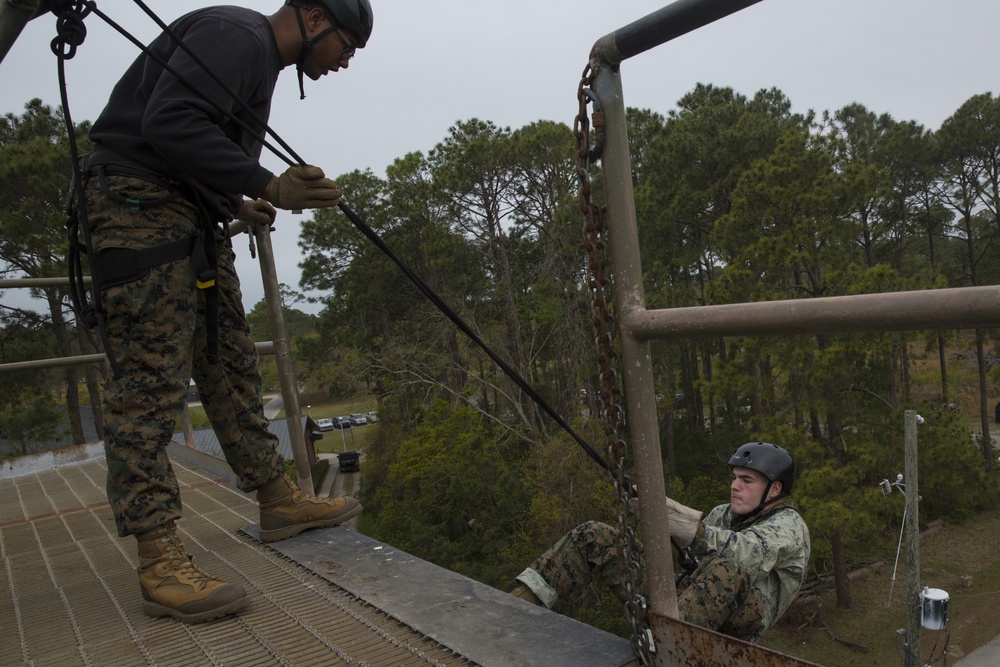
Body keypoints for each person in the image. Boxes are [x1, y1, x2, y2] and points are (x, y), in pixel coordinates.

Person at [79, 0, 374, 624]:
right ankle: (159, 560)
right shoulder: (236, 36)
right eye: (348, 46)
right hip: (138, 211)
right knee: (150, 387)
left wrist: (233, 202)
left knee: (230, 363)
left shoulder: (255, 57)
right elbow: (168, 121)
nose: (345, 63)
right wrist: (267, 184)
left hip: (186, 213)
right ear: (317, 17)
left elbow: (193, 140)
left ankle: (276, 498)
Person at [511, 442, 810, 644]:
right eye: (734, 477)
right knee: (596, 537)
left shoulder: (790, 528)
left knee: (730, 568)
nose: (734, 486)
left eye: (746, 480)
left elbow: (745, 555)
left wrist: (685, 526)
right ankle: (516, 605)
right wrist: (659, 509)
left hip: (734, 627)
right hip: (687, 605)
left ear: (775, 490)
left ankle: (658, 651)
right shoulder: (724, 514)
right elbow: (699, 548)